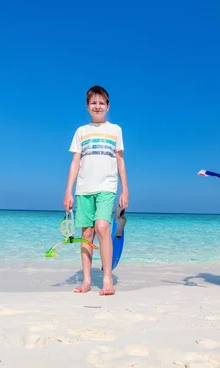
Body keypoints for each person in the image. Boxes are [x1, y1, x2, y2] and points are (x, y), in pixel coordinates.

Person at [63, 85, 129, 296]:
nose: (97, 106)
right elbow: (75, 161)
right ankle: (87, 280)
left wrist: (125, 189)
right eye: (94, 103)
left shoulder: (115, 130)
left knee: (102, 227)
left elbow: (120, 160)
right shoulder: (81, 132)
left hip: (107, 187)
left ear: (108, 106)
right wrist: (68, 191)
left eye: (101, 103)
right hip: (83, 189)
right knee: (86, 233)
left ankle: (107, 278)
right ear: (87, 106)